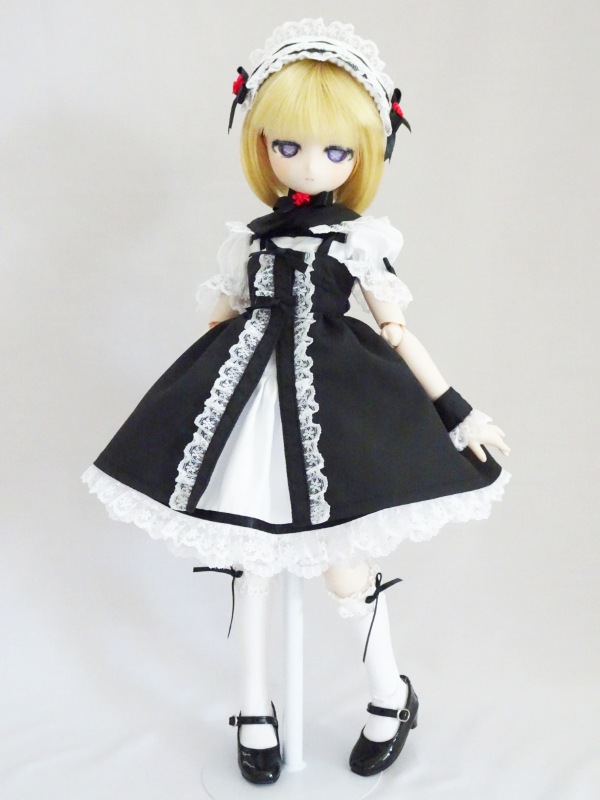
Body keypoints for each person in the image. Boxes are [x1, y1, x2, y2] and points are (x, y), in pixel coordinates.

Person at [83, 18, 510, 785]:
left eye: (335, 151)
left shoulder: (361, 240)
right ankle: (254, 707)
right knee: (253, 563)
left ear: (362, 155)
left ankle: (391, 692)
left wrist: (454, 409)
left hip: (334, 406)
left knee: (344, 566)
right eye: (289, 144)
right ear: (263, 145)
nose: (310, 163)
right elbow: (218, 319)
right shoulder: (249, 241)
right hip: (254, 400)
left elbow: (397, 329)